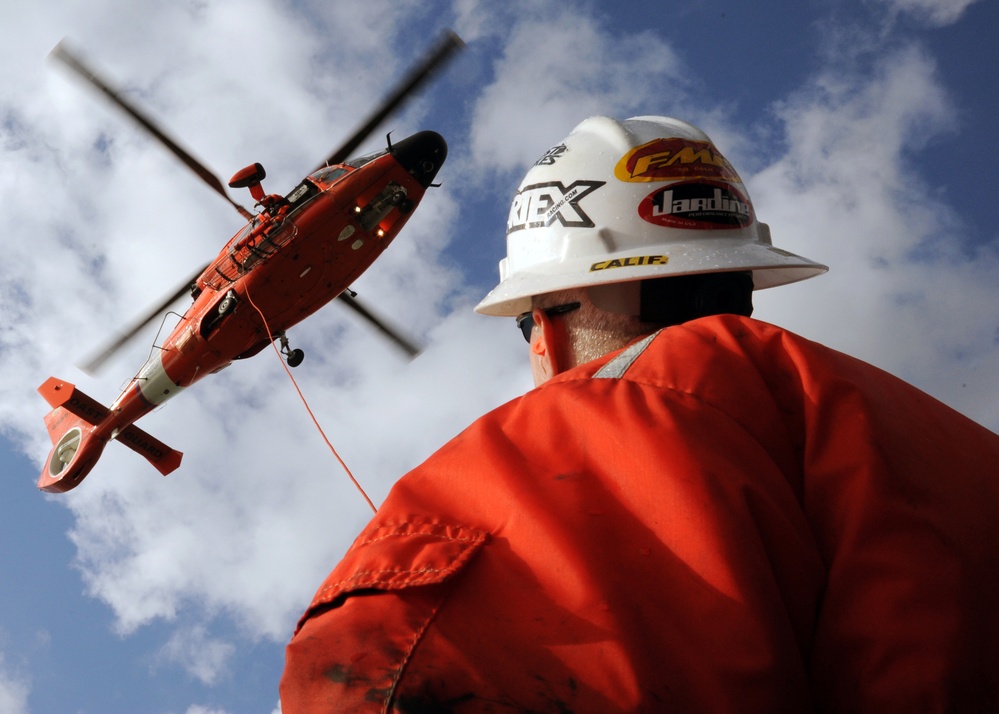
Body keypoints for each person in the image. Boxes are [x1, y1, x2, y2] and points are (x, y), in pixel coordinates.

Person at [279, 116, 999, 712]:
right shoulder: (936, 439)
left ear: (549, 320)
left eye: (522, 326)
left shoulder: (591, 434)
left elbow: (390, 672)